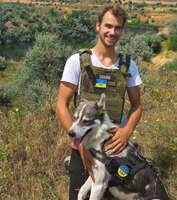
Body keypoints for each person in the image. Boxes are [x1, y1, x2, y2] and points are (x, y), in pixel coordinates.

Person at [56, 4, 142, 200]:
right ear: (98, 26)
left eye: (118, 28)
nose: (113, 32)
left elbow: (137, 105)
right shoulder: (76, 61)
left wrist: (126, 131)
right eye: (108, 26)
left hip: (115, 149)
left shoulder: (128, 65)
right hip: (83, 149)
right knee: (78, 196)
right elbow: (61, 103)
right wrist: (80, 145)